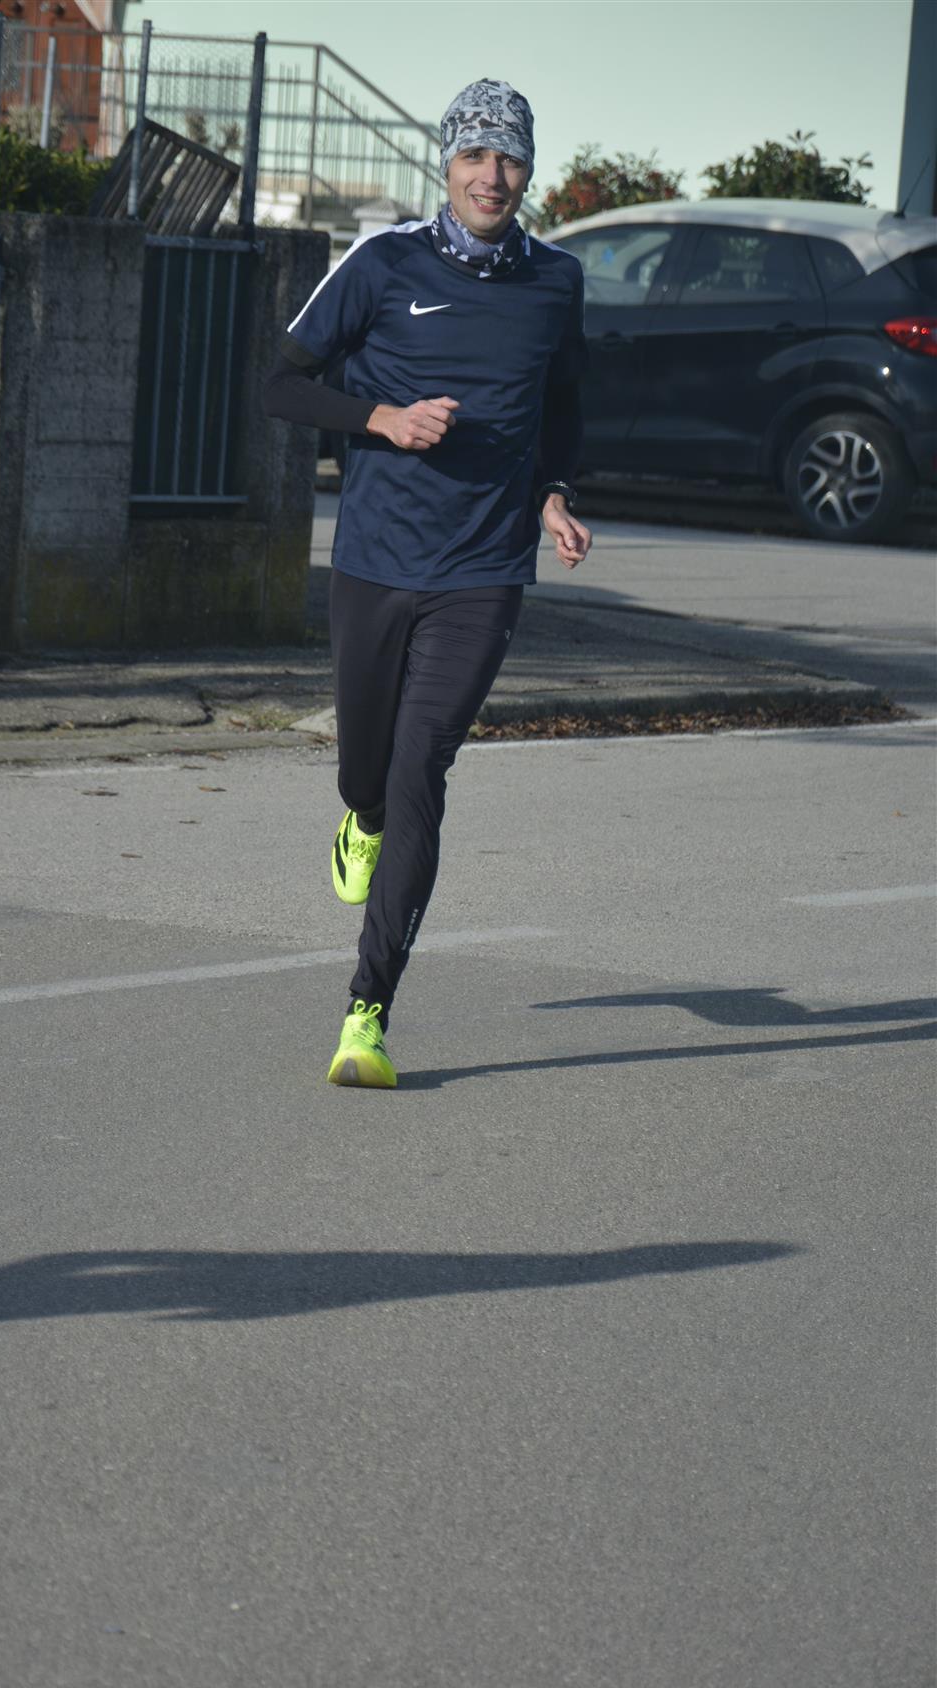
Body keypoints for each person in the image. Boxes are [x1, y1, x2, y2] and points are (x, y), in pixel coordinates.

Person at [262, 78, 593, 1088]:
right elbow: (276, 383)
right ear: (445, 164)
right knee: (367, 775)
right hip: (374, 561)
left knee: (421, 772)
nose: (493, 176)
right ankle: (356, 818)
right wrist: (380, 419)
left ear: (528, 169)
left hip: (482, 572)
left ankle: (366, 1015)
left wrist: (553, 494)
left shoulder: (556, 281)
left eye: (510, 157)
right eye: (475, 156)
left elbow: (563, 407)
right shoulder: (383, 262)